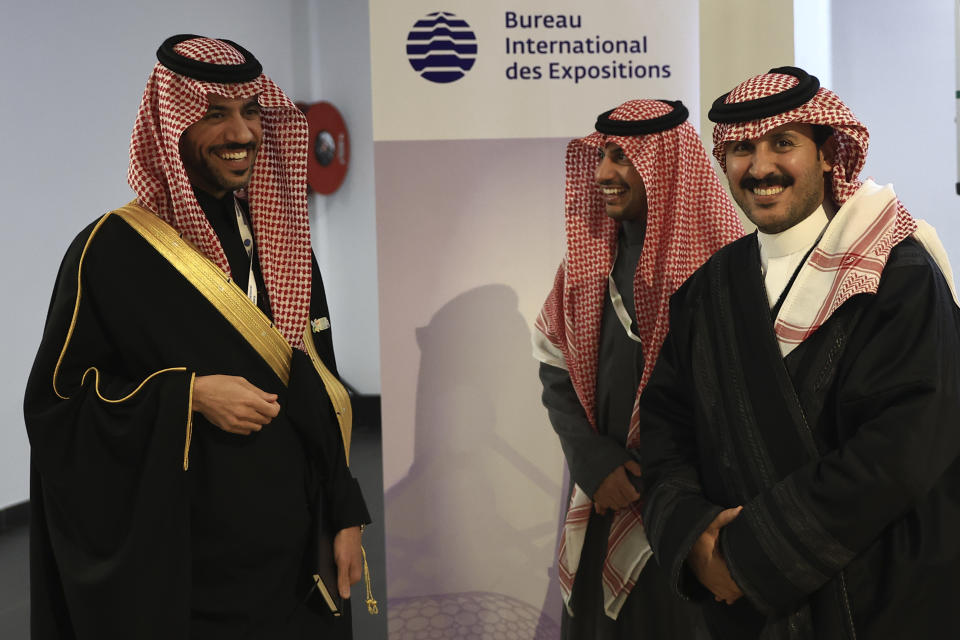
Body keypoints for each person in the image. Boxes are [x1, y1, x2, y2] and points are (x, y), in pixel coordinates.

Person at [23, 34, 371, 639]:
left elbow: (323, 385)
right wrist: (187, 396)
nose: (242, 133)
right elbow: (58, 406)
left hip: (295, 563)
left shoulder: (280, 242)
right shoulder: (109, 251)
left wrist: (345, 515)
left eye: (252, 111)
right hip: (186, 579)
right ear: (171, 124)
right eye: (215, 113)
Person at [638, 66, 960, 639]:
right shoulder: (708, 289)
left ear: (831, 154)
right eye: (741, 149)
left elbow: (903, 450)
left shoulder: (898, 275)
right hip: (742, 611)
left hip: (877, 599)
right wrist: (695, 539)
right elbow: (666, 429)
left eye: (782, 144)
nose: (760, 168)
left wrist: (749, 557)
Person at [533, 99, 743, 638]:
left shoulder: (726, 268)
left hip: (687, 509)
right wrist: (592, 460)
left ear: (664, 169)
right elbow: (555, 362)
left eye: (623, 158)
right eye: (602, 155)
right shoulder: (586, 265)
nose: (603, 173)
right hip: (606, 492)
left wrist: (665, 480)